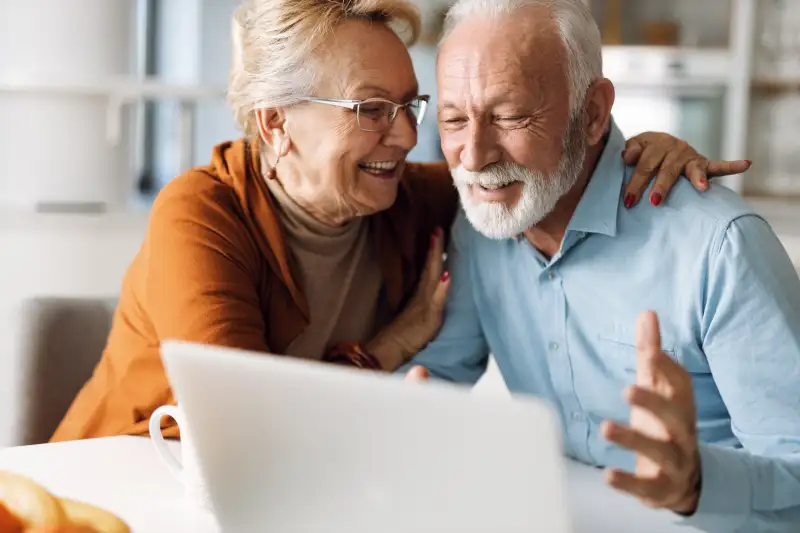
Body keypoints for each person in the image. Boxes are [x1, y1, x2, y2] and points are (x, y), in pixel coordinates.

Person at [51, 0, 744, 442]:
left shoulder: (413, 199)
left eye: (413, 106)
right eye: (371, 109)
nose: (408, 137)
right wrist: (391, 344)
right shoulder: (200, 214)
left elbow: (539, 169)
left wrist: (635, 151)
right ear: (276, 123)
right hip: (117, 492)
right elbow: (248, 427)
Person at [404, 0, 800, 531]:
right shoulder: (485, 227)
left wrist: (698, 482)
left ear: (591, 114)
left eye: (509, 115)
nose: (473, 156)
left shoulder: (719, 246)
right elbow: (436, 378)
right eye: (453, 119)